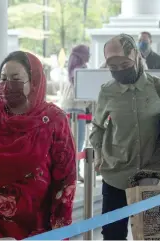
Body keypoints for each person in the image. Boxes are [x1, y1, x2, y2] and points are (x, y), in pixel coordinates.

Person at [0, 51, 76, 240]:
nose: (7, 85)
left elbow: (65, 178)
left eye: (16, 78)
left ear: (34, 81)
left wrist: (60, 225)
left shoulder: (54, 120)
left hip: (36, 227)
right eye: (3, 78)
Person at [90, 34, 160, 240]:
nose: (119, 71)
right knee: (113, 234)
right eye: (113, 67)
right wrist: (99, 154)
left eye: (124, 64)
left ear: (135, 55)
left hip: (153, 175)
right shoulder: (107, 92)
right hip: (116, 175)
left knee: (154, 235)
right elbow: (97, 127)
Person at [59, 44, 90, 182]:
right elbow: (85, 95)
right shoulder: (82, 71)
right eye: (88, 53)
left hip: (66, 110)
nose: (89, 56)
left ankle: (68, 172)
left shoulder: (69, 71)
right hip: (78, 111)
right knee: (78, 144)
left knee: (67, 144)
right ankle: (75, 173)